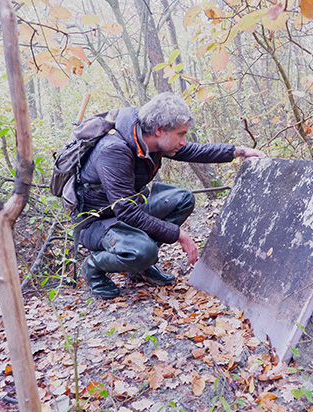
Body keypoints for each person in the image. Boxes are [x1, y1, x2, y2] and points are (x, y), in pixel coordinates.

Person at [75, 92, 265, 298]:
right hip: (97, 223)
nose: (183, 141)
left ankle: (139, 267)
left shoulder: (151, 140)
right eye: (181, 134)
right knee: (144, 251)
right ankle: (94, 268)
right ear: (159, 130)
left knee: (182, 199)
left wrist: (239, 151)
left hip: (129, 208)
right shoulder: (114, 151)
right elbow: (126, 212)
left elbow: (194, 151)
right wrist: (178, 234)